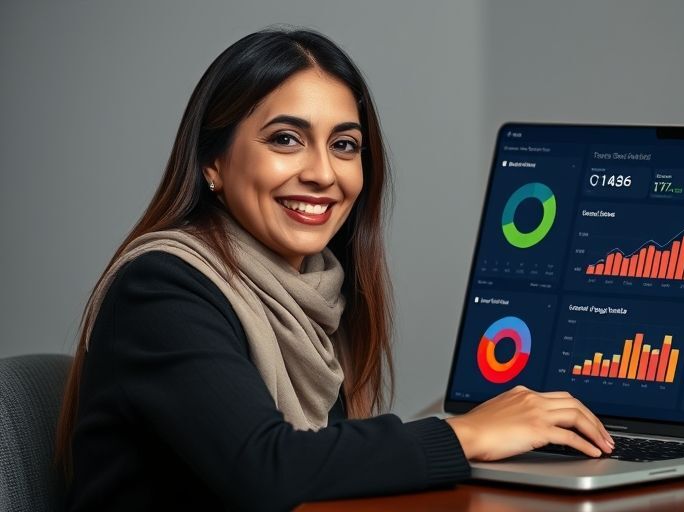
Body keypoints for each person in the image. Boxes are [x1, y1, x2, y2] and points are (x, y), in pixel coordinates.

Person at [55, 26, 613, 511]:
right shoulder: (161, 288)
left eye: (345, 145)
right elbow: (266, 470)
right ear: (212, 162)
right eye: (286, 139)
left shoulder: (315, 292)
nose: (323, 173)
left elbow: (324, 466)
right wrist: (465, 434)